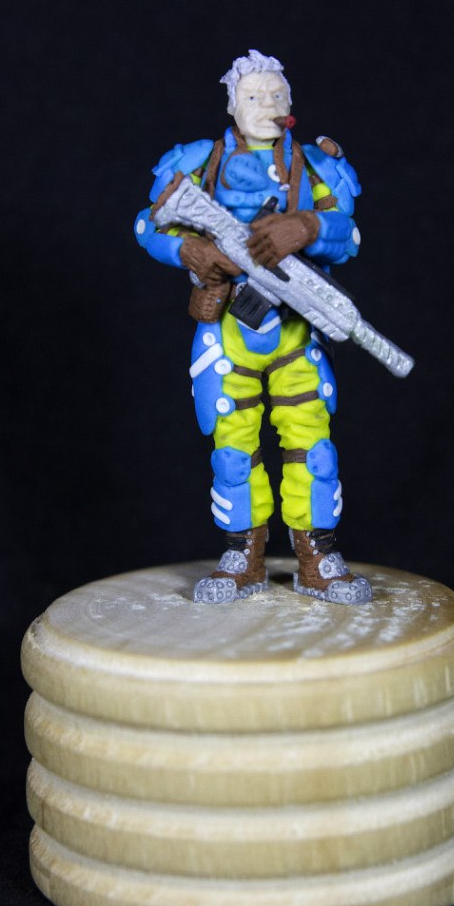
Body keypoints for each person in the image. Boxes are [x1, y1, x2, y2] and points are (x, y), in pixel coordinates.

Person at [135, 49, 371, 605]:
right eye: (253, 96)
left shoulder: (315, 165)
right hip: (226, 330)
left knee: (313, 446)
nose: (267, 105)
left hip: (295, 329)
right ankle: (244, 555)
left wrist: (308, 227)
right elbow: (148, 223)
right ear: (232, 104)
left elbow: (349, 234)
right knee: (232, 449)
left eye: (276, 95)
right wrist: (190, 251)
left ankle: (316, 555)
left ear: (291, 103)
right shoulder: (197, 162)